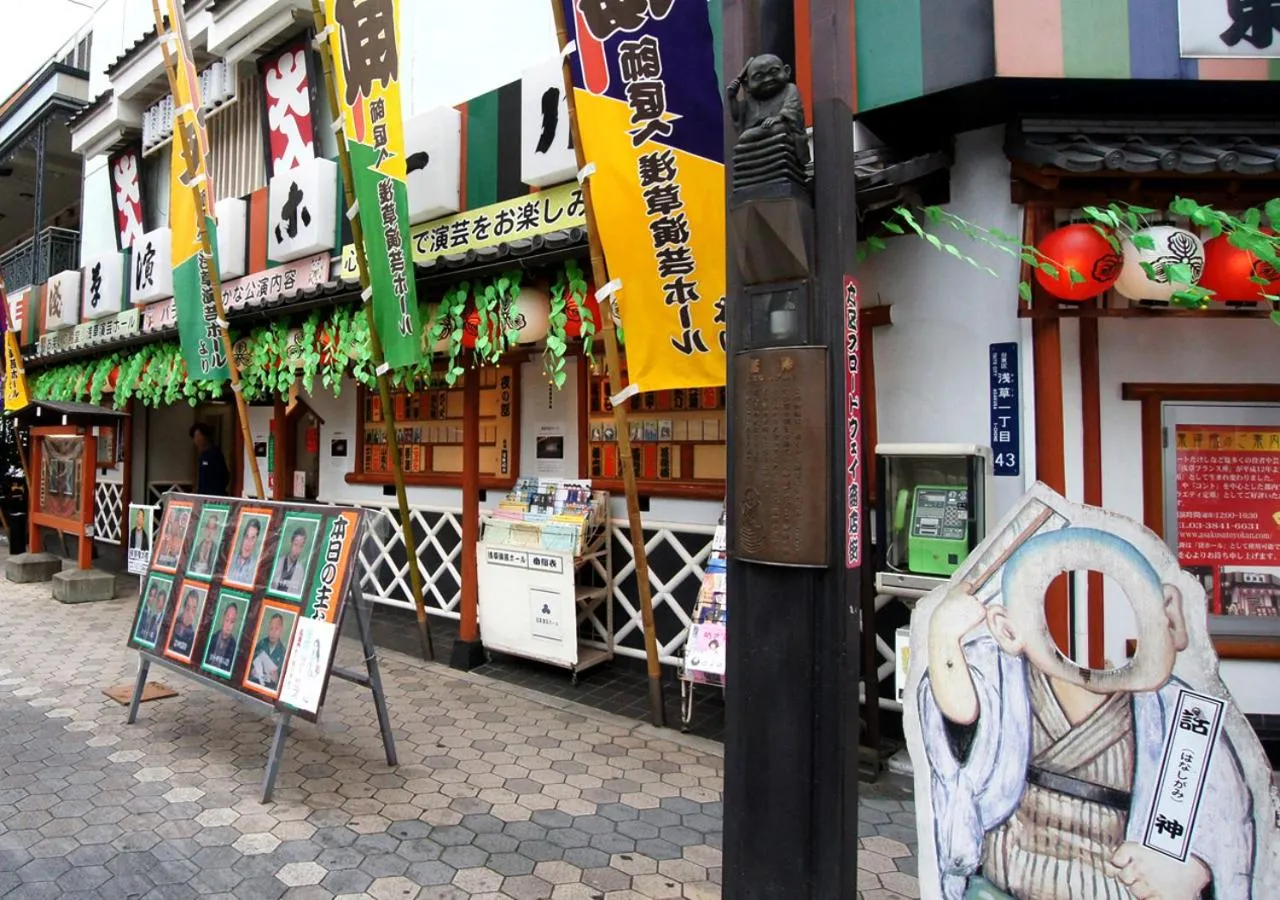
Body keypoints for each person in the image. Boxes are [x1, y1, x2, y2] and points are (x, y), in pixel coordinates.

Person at [919, 527, 1254, 900]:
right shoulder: (1002, 678)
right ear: (1006, 629)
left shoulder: (1181, 717)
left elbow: (1228, 825)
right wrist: (943, 638)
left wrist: (1195, 870)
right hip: (1001, 886)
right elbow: (958, 713)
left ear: (1171, 617)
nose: (1094, 636)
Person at [249, 613, 288, 690]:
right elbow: (249, 666)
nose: (273, 632)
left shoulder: (283, 652)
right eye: (271, 628)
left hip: (268, 690)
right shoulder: (261, 644)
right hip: (254, 686)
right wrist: (252, 671)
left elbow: (283, 682)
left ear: (281, 630)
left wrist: (276, 678)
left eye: (276, 629)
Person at [190, 423, 230, 497]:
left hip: (214, 496)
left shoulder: (214, 454)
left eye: (199, 436)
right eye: (195, 437)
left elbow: (224, 476)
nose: (197, 439)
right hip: (202, 496)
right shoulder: (202, 456)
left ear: (206, 436)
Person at [205, 602, 240, 673]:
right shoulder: (211, 639)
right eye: (227, 620)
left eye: (232, 621)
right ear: (223, 619)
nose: (228, 625)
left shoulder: (234, 647)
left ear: (235, 624)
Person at [272, 527, 308, 595]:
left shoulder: (301, 570)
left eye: (300, 546)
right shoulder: (277, 562)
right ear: (290, 543)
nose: (297, 550)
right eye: (295, 544)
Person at [226, 520, 262, 585]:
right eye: (246, 537)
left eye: (253, 538)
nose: (248, 543)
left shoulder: (256, 568)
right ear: (242, 538)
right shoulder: (228, 560)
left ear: (256, 542)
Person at [167, 589, 201, 656]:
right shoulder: (173, 624)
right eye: (188, 608)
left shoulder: (193, 635)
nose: (190, 613)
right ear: (184, 607)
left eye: (193, 609)